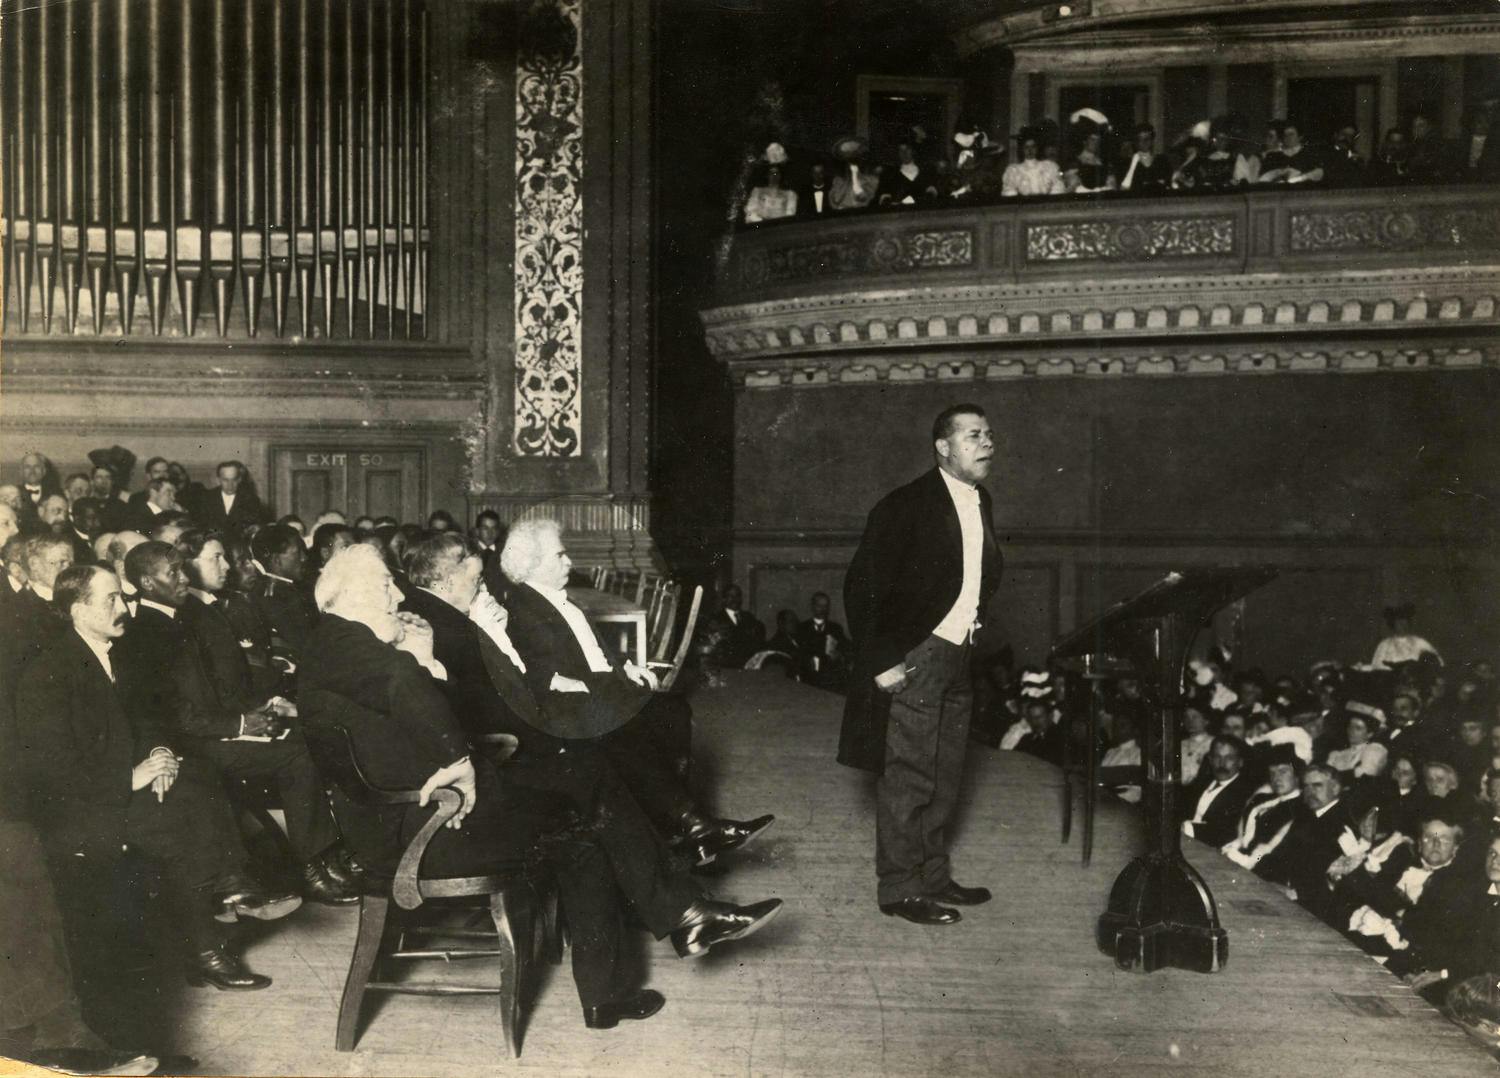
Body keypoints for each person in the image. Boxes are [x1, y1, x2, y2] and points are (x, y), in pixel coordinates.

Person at [300, 546, 783, 1028]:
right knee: (583, 812)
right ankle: (667, 931)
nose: (398, 593)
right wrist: (459, 760)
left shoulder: (337, 644)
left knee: (584, 795)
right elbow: (406, 688)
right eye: (385, 584)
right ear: (350, 593)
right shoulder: (355, 647)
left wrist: (428, 661)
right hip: (424, 832)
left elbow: (415, 701)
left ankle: (647, 953)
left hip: (416, 816)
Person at [405, 531, 773, 865]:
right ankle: (685, 828)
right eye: (475, 580)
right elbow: (505, 686)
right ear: (447, 580)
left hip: (536, 714)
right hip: (522, 734)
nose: (483, 587)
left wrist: (613, 676)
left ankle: (687, 827)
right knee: (622, 722)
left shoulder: (463, 615)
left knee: (644, 716)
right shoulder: (461, 623)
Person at [18, 565, 298, 991]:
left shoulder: (118, 654)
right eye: (110, 599)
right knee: (180, 828)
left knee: (198, 777)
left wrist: (161, 754)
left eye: (123, 597)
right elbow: (52, 765)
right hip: (83, 802)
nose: (124, 607)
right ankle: (210, 941)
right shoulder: (48, 672)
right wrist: (130, 777)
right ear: (78, 610)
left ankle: (233, 888)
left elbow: (148, 721)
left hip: (129, 782)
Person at [839, 403, 1002, 926]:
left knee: (946, 773)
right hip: (917, 654)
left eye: (989, 435)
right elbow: (861, 587)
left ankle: (932, 876)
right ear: (943, 447)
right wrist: (882, 659)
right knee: (909, 775)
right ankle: (900, 888)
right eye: (974, 435)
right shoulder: (904, 505)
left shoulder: (982, 502)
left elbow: (976, 576)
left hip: (959, 655)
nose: (987, 444)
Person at [159, 533, 360, 905]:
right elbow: (200, 698)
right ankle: (311, 866)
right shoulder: (178, 619)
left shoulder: (212, 608)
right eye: (215, 559)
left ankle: (331, 856)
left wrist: (268, 703)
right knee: (299, 751)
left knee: (316, 735)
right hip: (207, 736)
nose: (228, 567)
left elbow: (237, 674)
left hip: (232, 717)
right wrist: (243, 722)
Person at [1181, 735, 1258, 848]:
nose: (1222, 764)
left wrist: (1186, 828)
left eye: (1229, 758)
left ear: (1240, 762)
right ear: (1210, 759)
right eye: (1217, 757)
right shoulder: (1202, 782)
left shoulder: (1245, 792)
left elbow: (1228, 832)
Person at [795, 592, 850, 691]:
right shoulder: (802, 628)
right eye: (819, 606)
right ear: (812, 606)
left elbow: (845, 648)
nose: (823, 610)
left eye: (826, 606)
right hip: (808, 679)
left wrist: (839, 655)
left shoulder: (836, 629)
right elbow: (797, 653)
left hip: (830, 679)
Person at [704, 583, 766, 669]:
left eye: (737, 595)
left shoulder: (749, 618)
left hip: (747, 667)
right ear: (724, 599)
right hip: (725, 667)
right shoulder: (716, 619)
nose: (734, 599)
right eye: (730, 596)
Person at [197, 461, 267, 537]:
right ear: (218, 480)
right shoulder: (206, 498)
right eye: (225, 480)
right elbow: (201, 526)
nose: (230, 485)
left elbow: (253, 525)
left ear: (239, 479)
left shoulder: (250, 499)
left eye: (234, 479)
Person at [1372, 604, 1442, 669]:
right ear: (1393, 625)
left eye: (1405, 623)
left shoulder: (1419, 642)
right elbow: (1376, 665)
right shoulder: (1385, 645)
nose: (1402, 626)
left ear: (1409, 624)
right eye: (1399, 623)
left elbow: (1438, 661)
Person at [1001, 127, 1065, 198]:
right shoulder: (1013, 170)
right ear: (1022, 149)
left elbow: (1058, 188)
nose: (1030, 150)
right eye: (1026, 147)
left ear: (1037, 148)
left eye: (1033, 147)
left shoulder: (1050, 166)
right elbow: (1009, 192)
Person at [1328, 711, 1389, 779]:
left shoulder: (1374, 749)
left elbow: (1365, 773)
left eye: (1358, 728)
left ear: (1370, 734)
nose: (1351, 731)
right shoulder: (1336, 754)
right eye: (1350, 726)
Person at [1258, 121, 1324, 184]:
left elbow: (1318, 174)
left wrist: (1299, 178)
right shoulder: (1272, 156)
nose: (1288, 137)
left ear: (1300, 137)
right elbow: (1262, 179)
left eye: (1291, 134)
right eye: (1285, 135)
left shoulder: (1309, 155)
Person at [1115, 123, 1172, 192]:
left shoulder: (1162, 160)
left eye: (1146, 139)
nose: (1141, 143)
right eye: (1138, 139)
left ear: (1152, 140)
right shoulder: (1127, 163)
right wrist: (1134, 163)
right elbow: (1123, 189)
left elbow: (1167, 184)